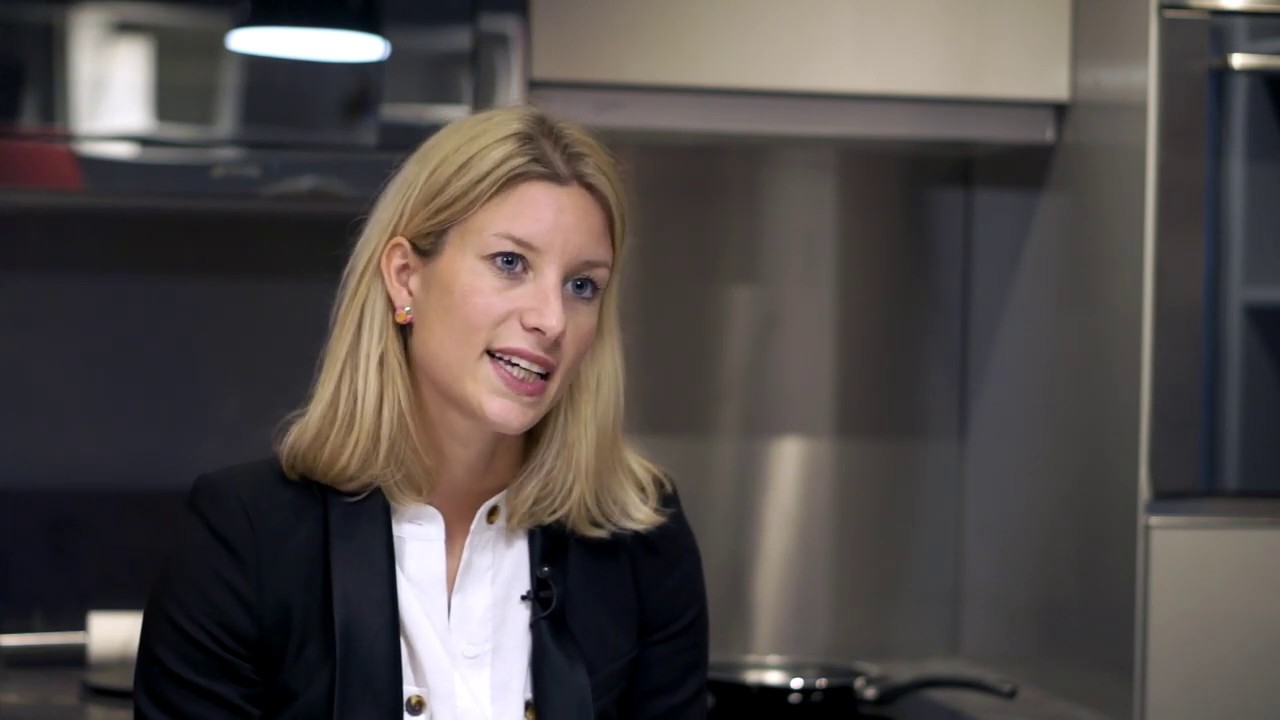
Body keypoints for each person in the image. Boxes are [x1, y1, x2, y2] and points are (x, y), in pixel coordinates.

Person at [132, 105, 710, 719]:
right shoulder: (242, 538)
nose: (551, 319)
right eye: (510, 263)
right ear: (406, 277)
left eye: (582, 285)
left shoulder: (642, 539)